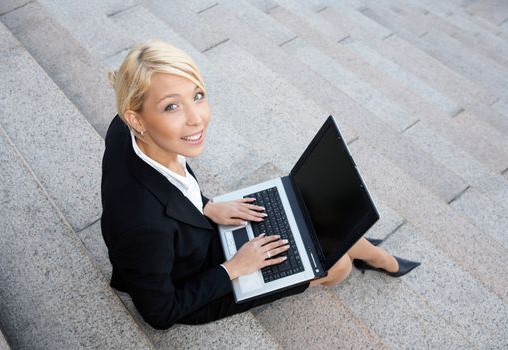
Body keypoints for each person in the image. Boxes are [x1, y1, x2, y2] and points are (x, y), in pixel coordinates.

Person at [101, 39, 420, 330]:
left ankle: (363, 250)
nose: (196, 118)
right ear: (137, 119)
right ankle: (374, 256)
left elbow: (172, 187)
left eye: (197, 96)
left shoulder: (126, 131)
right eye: (172, 106)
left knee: (309, 218)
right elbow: (160, 313)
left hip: (189, 236)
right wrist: (235, 268)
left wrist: (206, 205)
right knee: (339, 269)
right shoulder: (144, 227)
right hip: (196, 281)